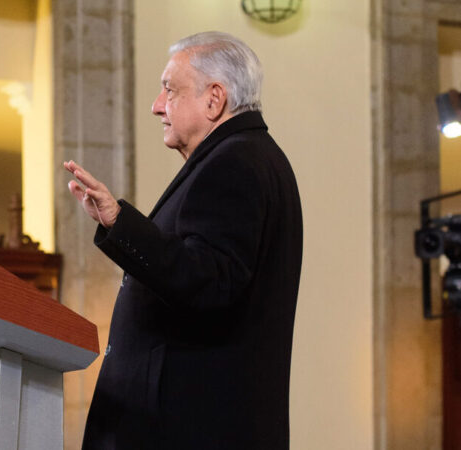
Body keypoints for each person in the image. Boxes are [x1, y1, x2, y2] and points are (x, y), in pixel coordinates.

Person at [64, 31, 302, 449]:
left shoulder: (236, 162)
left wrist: (122, 222)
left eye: (170, 90)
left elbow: (209, 282)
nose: (157, 105)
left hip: (186, 429)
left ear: (214, 99)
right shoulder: (245, 156)